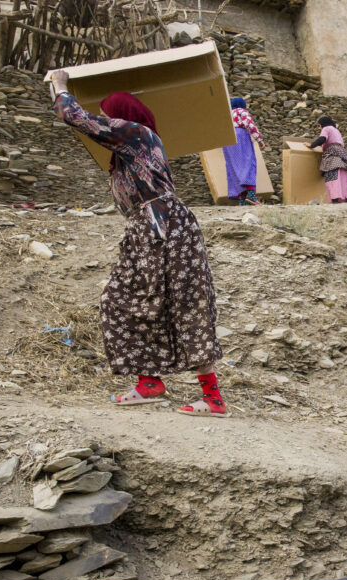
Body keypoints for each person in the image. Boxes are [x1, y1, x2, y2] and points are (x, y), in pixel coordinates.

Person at [49, 70, 228, 417]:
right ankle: (149, 383)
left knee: (186, 303)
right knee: (121, 299)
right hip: (143, 233)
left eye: (111, 113)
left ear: (124, 113)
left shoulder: (137, 134)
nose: (108, 120)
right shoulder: (129, 149)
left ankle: (213, 399)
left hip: (166, 229)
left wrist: (60, 85)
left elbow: (75, 117)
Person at [225, 96, 265, 206]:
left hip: (228, 141)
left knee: (234, 168)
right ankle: (251, 196)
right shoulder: (241, 111)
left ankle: (242, 200)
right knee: (248, 164)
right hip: (240, 137)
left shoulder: (227, 114)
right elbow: (249, 124)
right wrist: (259, 139)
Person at [309, 116, 347, 203]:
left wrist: (311, 145)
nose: (319, 128)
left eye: (319, 126)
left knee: (332, 174)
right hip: (342, 153)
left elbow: (322, 139)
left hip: (332, 153)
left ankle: (335, 198)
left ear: (322, 124)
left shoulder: (326, 128)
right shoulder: (336, 130)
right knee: (343, 175)